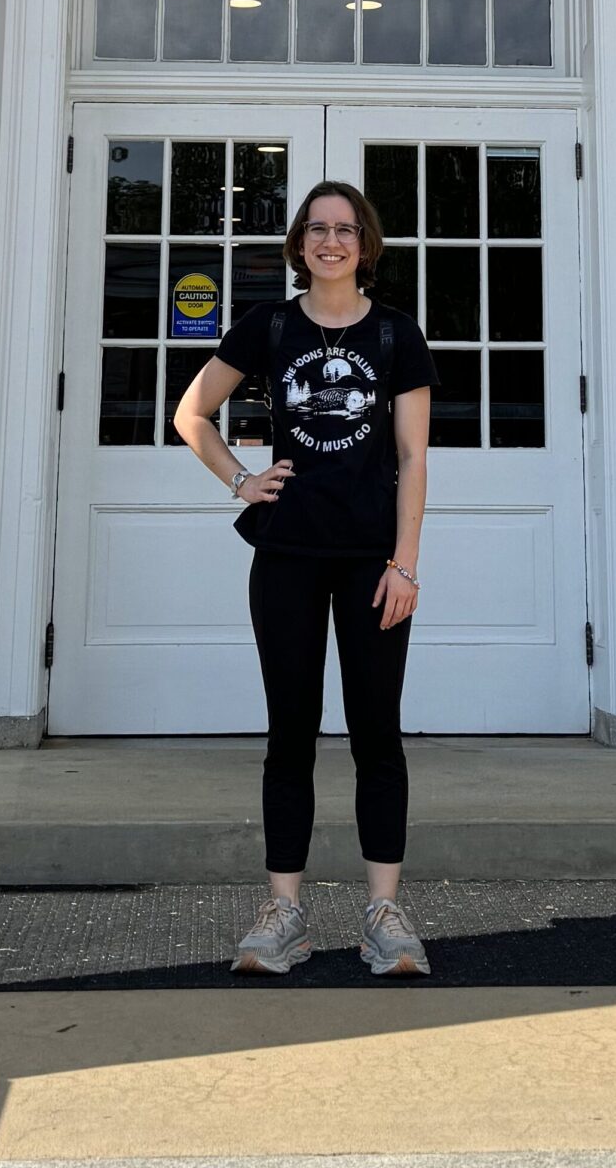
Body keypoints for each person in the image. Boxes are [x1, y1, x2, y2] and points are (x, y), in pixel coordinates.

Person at [175, 178, 433, 977]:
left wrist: (404, 565)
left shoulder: (396, 335)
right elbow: (191, 413)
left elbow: (414, 457)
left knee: (375, 735)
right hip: (285, 556)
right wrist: (239, 479)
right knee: (289, 734)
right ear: (298, 244)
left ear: (366, 243)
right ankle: (283, 914)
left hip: (370, 564)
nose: (331, 242)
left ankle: (385, 916)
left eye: (345, 229)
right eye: (317, 230)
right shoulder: (271, 326)